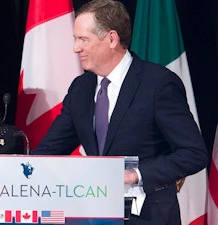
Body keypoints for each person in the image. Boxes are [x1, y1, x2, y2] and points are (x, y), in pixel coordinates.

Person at [31, 0, 209, 225]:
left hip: (148, 216)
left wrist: (135, 174)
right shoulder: (81, 88)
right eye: (76, 39)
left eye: (83, 39)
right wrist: (17, 172)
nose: (76, 48)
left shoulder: (157, 84)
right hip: (97, 215)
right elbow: (50, 149)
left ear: (112, 39)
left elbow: (193, 153)